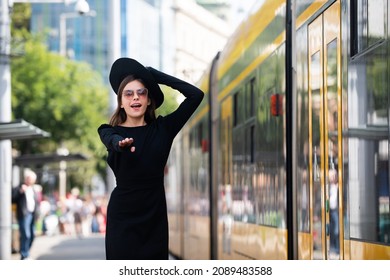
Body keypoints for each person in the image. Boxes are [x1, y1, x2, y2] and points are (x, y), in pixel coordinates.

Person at [98, 57, 204, 260]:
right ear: (121, 102)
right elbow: (110, 139)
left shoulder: (163, 129)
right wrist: (119, 144)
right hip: (122, 217)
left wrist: (155, 76)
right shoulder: (109, 131)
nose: (135, 98)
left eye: (141, 93)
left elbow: (195, 95)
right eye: (128, 94)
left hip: (153, 216)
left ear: (148, 100)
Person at [12, 169, 40, 260]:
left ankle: (26, 252)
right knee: (25, 235)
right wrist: (20, 191)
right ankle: (24, 255)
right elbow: (12, 198)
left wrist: (37, 214)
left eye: (31, 178)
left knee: (32, 235)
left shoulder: (33, 189)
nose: (29, 180)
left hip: (32, 215)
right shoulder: (19, 187)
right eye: (28, 178)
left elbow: (36, 203)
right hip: (24, 214)